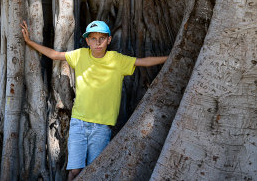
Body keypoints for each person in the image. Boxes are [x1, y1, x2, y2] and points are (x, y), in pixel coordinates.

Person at [21, 20, 168, 181]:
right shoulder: (80, 55)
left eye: (102, 38)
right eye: (93, 38)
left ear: (109, 40)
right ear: (87, 41)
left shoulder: (117, 59)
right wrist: (29, 42)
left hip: (102, 127)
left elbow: (143, 62)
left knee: (94, 173)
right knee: (75, 171)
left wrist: (170, 58)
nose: (97, 43)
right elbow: (55, 55)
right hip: (79, 123)